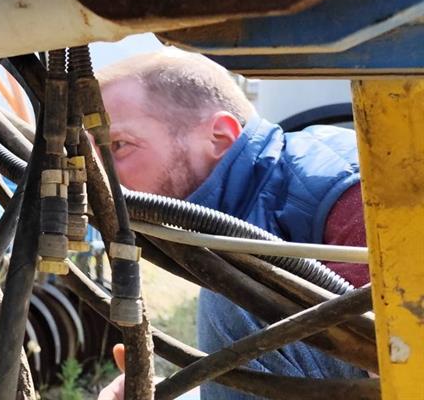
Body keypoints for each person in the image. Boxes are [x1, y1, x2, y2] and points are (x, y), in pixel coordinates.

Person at [93, 50, 368, 400]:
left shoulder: (346, 195)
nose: (100, 174)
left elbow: (397, 362)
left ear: (219, 137)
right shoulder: (255, 202)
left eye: (117, 145)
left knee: (238, 292)